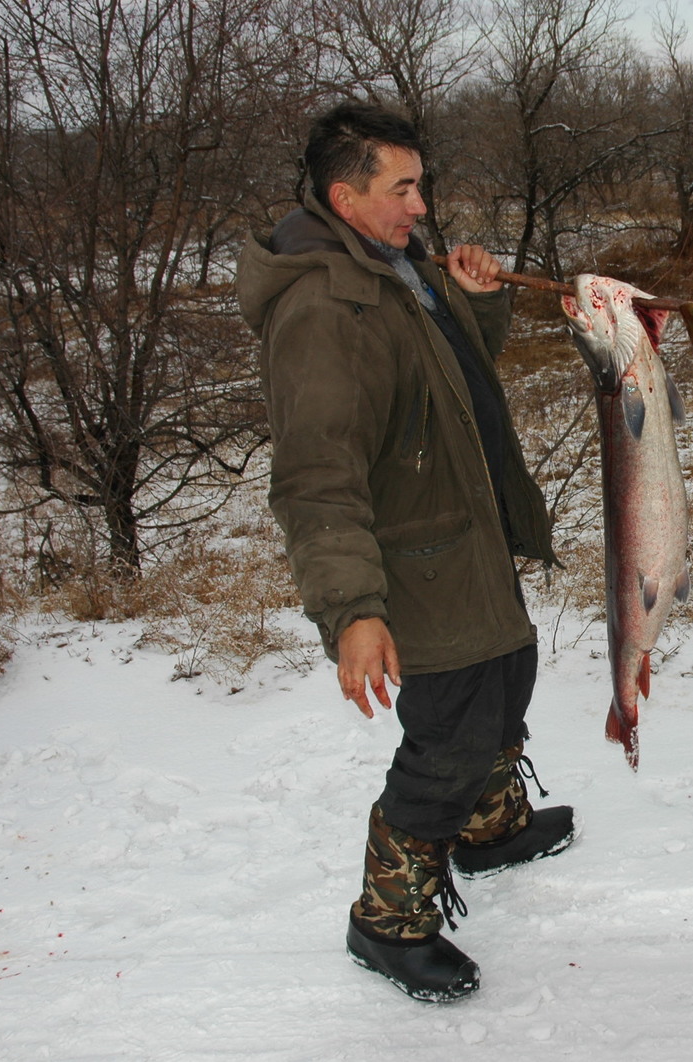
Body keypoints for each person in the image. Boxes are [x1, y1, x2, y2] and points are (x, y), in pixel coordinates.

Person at [236, 102, 574, 1001]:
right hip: (415, 560)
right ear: (346, 197)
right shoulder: (323, 306)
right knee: (452, 730)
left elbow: (457, 385)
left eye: (420, 185)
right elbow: (315, 477)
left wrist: (477, 303)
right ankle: (388, 920)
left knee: (509, 673)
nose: (421, 205)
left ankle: (491, 826)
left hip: (465, 531)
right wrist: (354, 612)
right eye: (403, 188)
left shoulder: (399, 267)